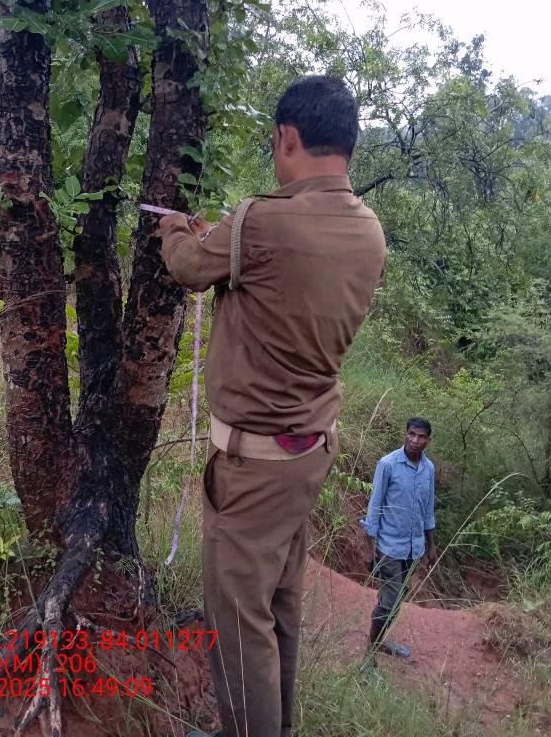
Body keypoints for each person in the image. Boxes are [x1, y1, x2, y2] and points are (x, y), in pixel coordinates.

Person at [158, 75, 386, 737]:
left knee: (238, 623)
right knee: (279, 605)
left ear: (287, 137)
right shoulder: (368, 230)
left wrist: (174, 229)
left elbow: (188, 267)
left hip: (254, 467)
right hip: (307, 453)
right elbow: (272, 276)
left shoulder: (260, 219)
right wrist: (223, 239)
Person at [360, 418, 438, 663]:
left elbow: (428, 510)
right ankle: (369, 658)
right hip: (390, 547)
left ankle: (379, 641)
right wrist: (368, 549)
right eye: (411, 434)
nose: (415, 440)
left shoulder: (428, 469)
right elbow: (374, 508)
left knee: (395, 598)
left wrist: (431, 546)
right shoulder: (388, 464)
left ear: (428, 441)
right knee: (390, 602)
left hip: (414, 549)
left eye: (421, 436)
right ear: (405, 434)